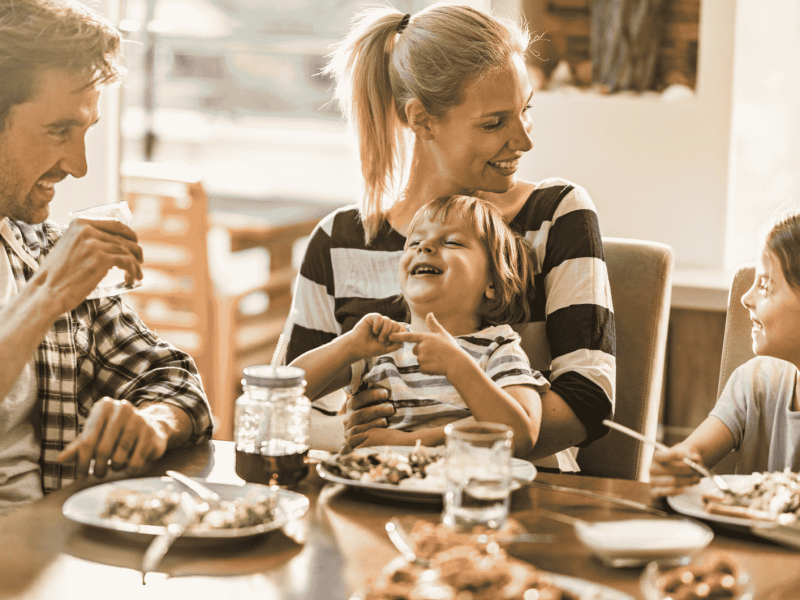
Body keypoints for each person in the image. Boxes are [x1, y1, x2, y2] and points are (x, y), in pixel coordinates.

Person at [286, 4, 615, 470]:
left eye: (526, 111)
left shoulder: (556, 214)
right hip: (376, 492)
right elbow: (281, 403)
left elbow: (588, 399)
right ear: (421, 120)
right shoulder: (338, 241)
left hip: (511, 494)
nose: (523, 140)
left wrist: (410, 439)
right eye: (494, 123)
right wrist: (350, 432)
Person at [0, 0, 213, 513]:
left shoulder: (40, 249)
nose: (78, 165)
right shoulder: (54, 276)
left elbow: (171, 378)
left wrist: (151, 423)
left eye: (87, 131)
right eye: (58, 131)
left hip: (42, 549)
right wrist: (45, 298)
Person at [290, 195, 550, 455]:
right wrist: (348, 346)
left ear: (492, 283)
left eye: (451, 242)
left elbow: (522, 434)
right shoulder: (380, 347)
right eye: (414, 243)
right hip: (374, 488)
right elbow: (286, 393)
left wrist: (457, 366)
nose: (424, 246)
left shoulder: (498, 347)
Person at [650, 208, 800, 497]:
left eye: (766, 286)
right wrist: (675, 467)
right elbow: (693, 454)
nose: (746, 298)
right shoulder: (754, 382)